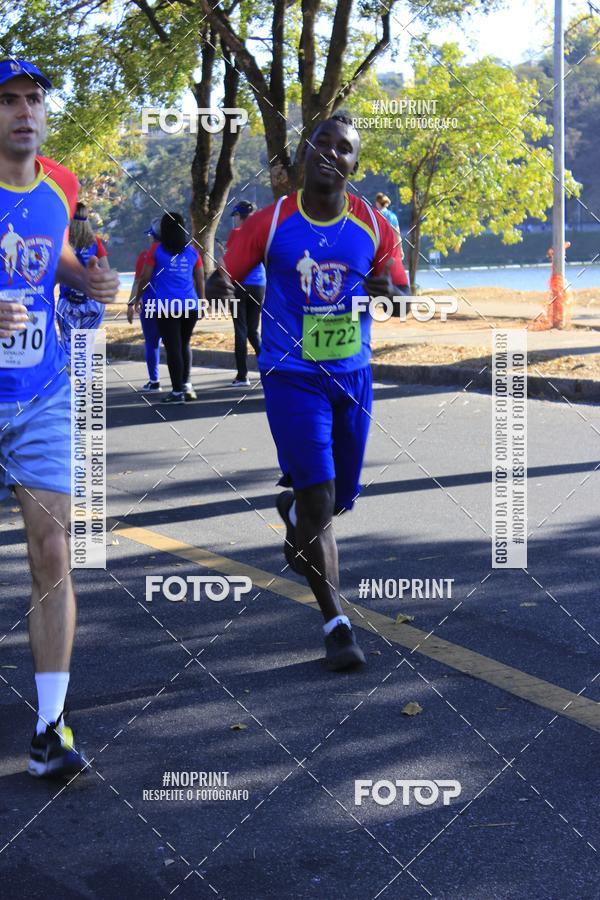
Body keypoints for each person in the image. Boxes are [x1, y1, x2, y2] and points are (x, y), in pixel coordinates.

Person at [207, 115, 409, 671]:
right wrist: (219, 282)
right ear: (306, 151)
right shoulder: (271, 222)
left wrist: (388, 291)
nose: (330, 152)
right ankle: (336, 625)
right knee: (321, 498)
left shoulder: (374, 225)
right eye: (322, 141)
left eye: (343, 149)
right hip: (291, 375)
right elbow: (221, 275)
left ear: (353, 166)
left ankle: (295, 512)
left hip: (353, 376)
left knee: (335, 501)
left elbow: (401, 295)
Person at [0, 59, 119, 777]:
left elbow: (56, 257)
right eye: (7, 100)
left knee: (51, 550)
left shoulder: (61, 185)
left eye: (33, 100)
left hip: (41, 394)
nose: (22, 111)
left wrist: (87, 276)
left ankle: (51, 728)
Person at [133, 211, 204, 404]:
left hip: (166, 306)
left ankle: (176, 391)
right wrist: (202, 300)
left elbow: (145, 278)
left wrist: (137, 298)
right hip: (190, 305)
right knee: (184, 344)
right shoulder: (192, 251)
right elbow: (199, 277)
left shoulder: (156, 250)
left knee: (173, 347)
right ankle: (187, 384)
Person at [56, 201, 109, 362]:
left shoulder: (63, 241)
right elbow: (105, 270)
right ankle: (85, 385)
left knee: (69, 349)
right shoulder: (96, 242)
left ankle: (69, 385)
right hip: (92, 303)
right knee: (87, 348)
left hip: (68, 303)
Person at [226, 201, 266, 386]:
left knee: (240, 331)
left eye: (235, 216)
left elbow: (229, 260)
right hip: (259, 285)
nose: (234, 220)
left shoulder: (236, 233)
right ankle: (268, 369)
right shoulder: (261, 233)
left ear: (239, 216)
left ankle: (242, 375)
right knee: (252, 331)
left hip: (239, 286)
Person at [127, 217, 162, 392]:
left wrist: (131, 303)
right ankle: (182, 383)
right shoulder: (175, 255)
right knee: (175, 344)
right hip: (171, 304)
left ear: (152, 236)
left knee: (152, 342)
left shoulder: (146, 256)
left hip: (149, 304)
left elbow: (138, 281)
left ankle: (154, 380)